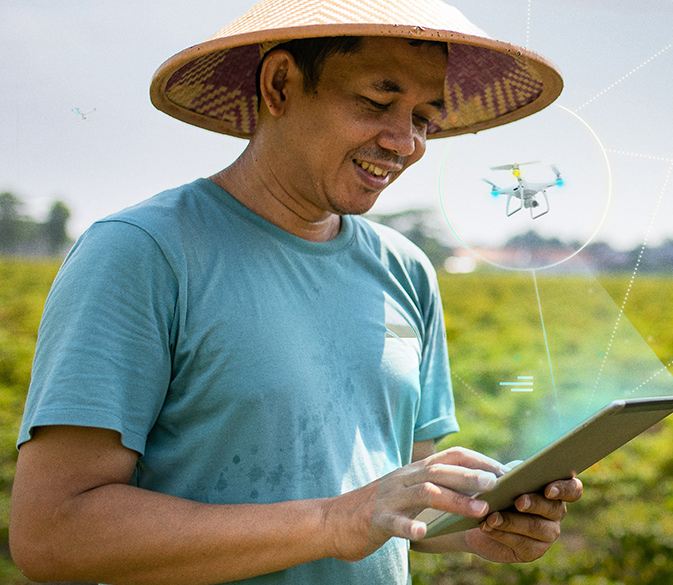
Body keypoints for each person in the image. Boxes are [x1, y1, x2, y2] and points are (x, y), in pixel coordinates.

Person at [10, 1, 579, 583]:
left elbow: (395, 498)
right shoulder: (143, 252)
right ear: (280, 83)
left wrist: (482, 520)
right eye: (377, 103)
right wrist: (334, 521)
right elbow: (53, 532)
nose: (404, 142)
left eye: (424, 119)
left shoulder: (405, 270)